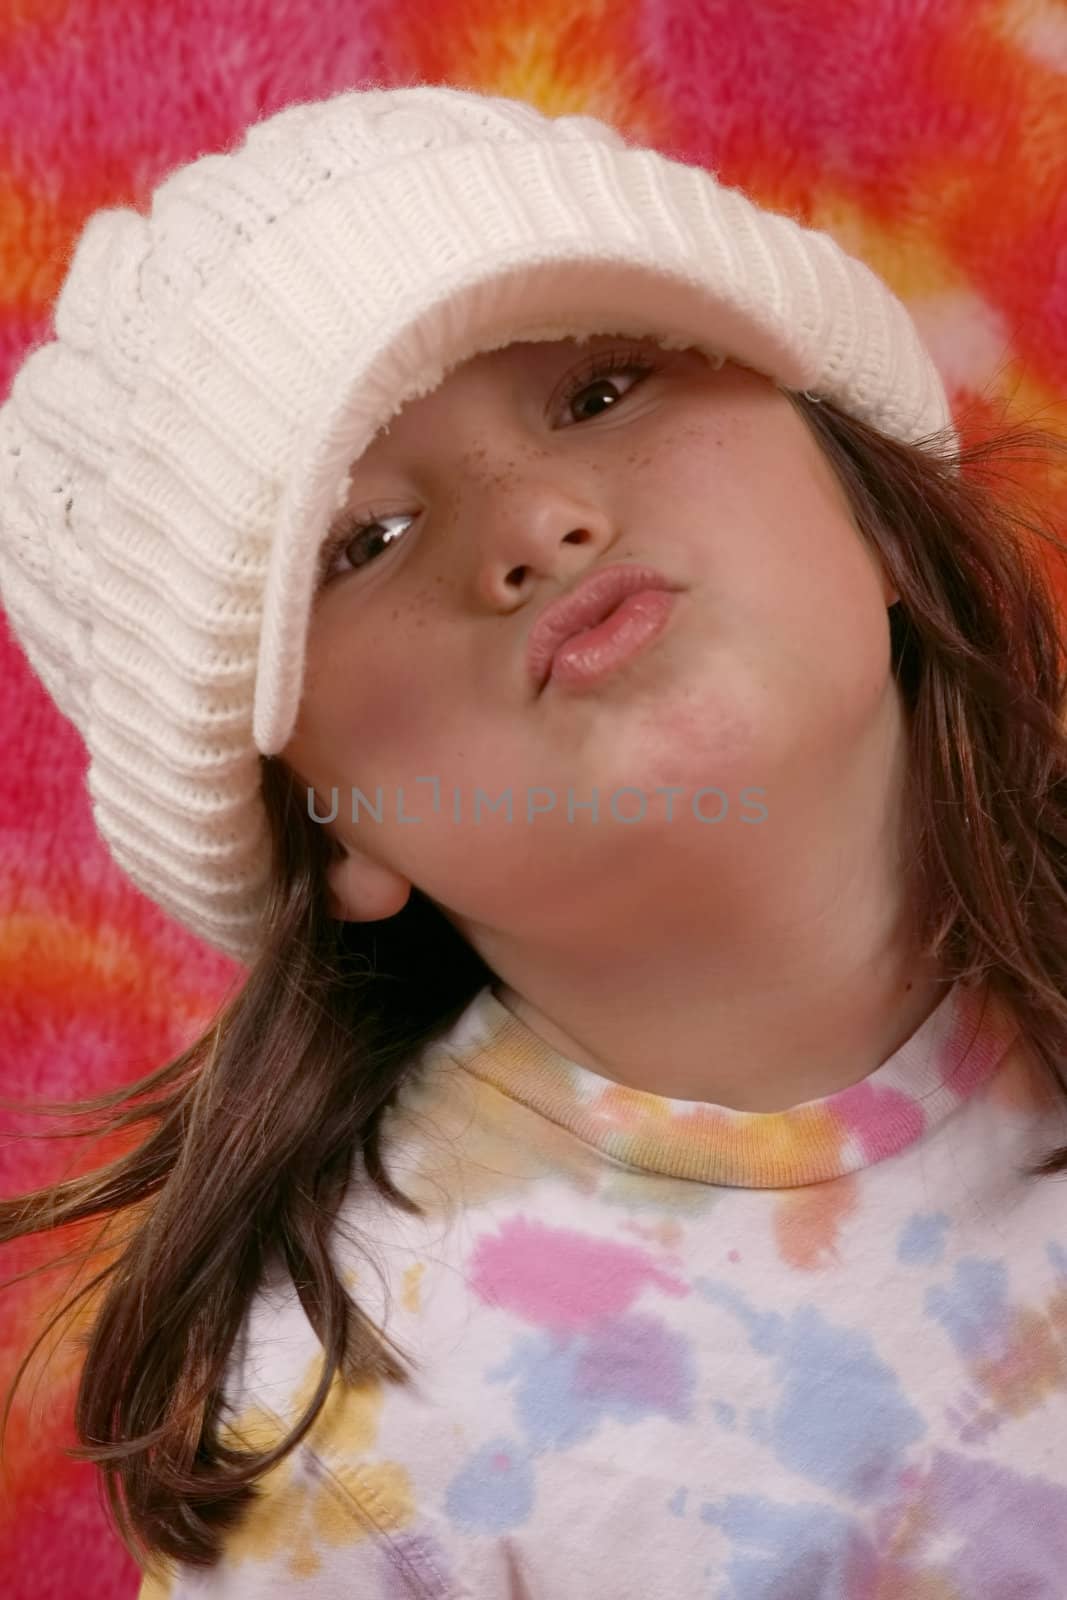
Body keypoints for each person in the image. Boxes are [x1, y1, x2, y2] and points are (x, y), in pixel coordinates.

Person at [2, 81, 1067, 1600]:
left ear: (879, 514)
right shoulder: (356, 1435)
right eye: (363, 545)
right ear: (331, 836)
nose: (536, 520)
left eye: (602, 391)